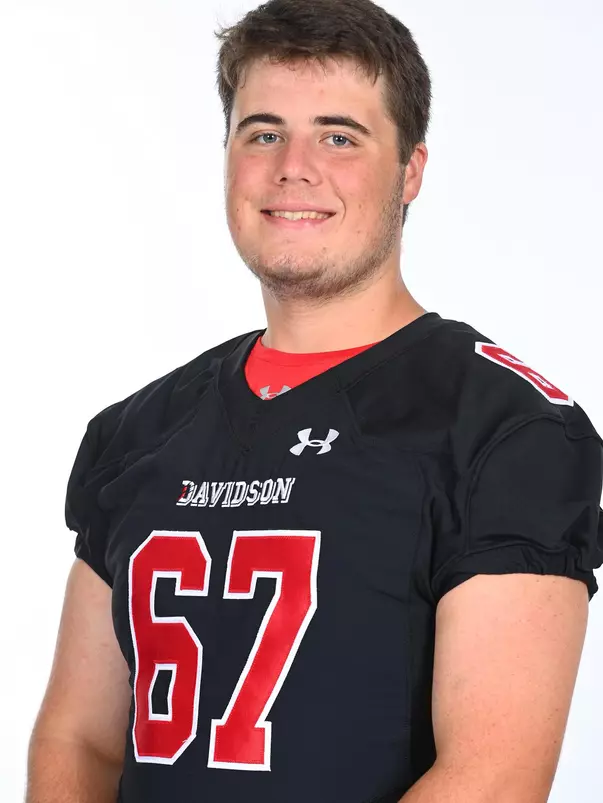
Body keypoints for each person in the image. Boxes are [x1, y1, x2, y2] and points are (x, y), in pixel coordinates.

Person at [26, 0, 603, 801]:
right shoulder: (137, 430)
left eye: (339, 135)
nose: (293, 166)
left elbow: (492, 776)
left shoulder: (505, 428)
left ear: (411, 169)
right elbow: (78, 736)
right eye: (262, 132)